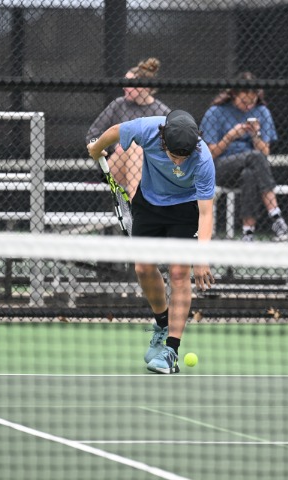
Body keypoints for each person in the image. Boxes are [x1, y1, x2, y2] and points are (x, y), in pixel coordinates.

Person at [87, 110, 216, 374]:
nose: (178, 162)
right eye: (173, 155)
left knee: (179, 273)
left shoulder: (203, 158)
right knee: (143, 268)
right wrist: (96, 149)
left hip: (185, 210)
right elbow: (115, 131)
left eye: (183, 157)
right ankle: (162, 323)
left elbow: (206, 212)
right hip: (149, 204)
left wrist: (202, 257)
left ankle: (171, 351)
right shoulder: (147, 129)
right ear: (163, 139)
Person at [199, 72, 288, 241]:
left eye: (252, 102)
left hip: (252, 166)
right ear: (234, 94)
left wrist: (255, 135)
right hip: (220, 167)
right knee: (255, 158)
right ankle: (275, 215)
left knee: (250, 174)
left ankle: (248, 233)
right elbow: (210, 154)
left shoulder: (262, 111)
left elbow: (265, 152)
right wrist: (229, 137)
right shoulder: (215, 112)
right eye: (244, 102)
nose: (248, 106)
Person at [86, 57, 171, 200]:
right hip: (116, 166)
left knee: (138, 145)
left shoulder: (162, 112)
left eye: (129, 84)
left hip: (153, 168)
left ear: (144, 87)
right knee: (133, 145)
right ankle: (136, 205)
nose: (124, 87)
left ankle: (136, 206)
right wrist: (113, 145)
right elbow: (92, 135)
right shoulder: (118, 105)